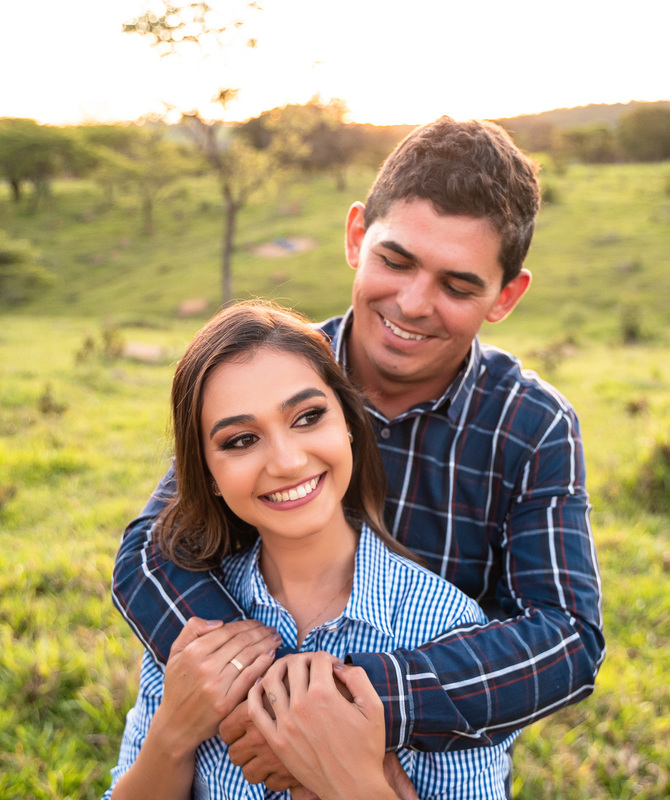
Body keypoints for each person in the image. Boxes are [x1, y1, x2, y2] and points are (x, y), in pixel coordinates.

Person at [111, 117, 605, 789]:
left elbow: (567, 641)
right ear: (355, 238)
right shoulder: (278, 372)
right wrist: (264, 698)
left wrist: (355, 703)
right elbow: (151, 549)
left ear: (505, 297)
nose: (411, 303)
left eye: (457, 286)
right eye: (395, 261)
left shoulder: (531, 424)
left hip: (433, 748)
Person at [103, 302, 516, 799]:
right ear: (208, 476)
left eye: (308, 416)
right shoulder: (194, 628)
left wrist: (350, 779)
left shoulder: (445, 630)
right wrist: (172, 735)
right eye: (241, 440)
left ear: (347, 422)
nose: (287, 460)